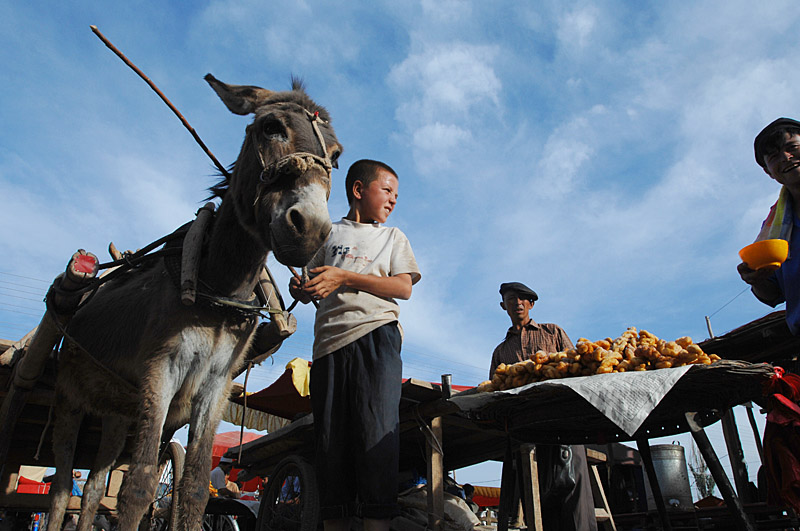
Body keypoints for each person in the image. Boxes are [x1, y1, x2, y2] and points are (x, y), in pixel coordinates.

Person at [290, 159, 421, 531]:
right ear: (359, 190)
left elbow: (403, 287)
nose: (394, 199)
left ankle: (376, 521)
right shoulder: (328, 234)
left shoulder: (392, 237)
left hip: (376, 336)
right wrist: (300, 289)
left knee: (376, 433)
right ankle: (336, 519)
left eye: (397, 194)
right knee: (332, 444)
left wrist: (346, 276)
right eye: (387, 190)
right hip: (329, 346)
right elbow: (311, 280)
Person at [490, 282, 596, 531]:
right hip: (528, 429)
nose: (517, 303)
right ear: (503, 305)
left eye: (522, 299)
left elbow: (578, 366)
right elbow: (496, 389)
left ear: (531, 305)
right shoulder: (501, 351)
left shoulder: (552, 333)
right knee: (537, 496)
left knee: (574, 491)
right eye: (511, 299)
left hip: (564, 420)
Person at [738, 117, 800, 334]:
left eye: (792, 147)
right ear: (768, 171)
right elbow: (772, 294)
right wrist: (756, 280)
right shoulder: (775, 226)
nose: (786, 157)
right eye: (773, 157)